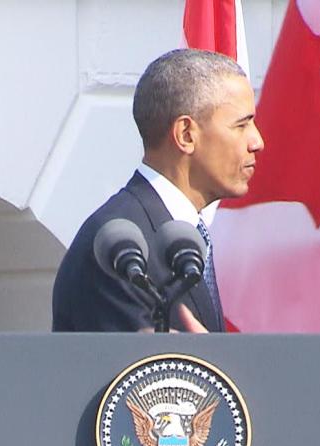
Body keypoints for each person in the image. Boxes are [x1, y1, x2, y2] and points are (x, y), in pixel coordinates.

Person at [51, 48, 264, 332]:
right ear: (186, 135)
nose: (257, 141)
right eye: (241, 125)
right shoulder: (120, 248)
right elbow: (136, 371)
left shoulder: (183, 234)